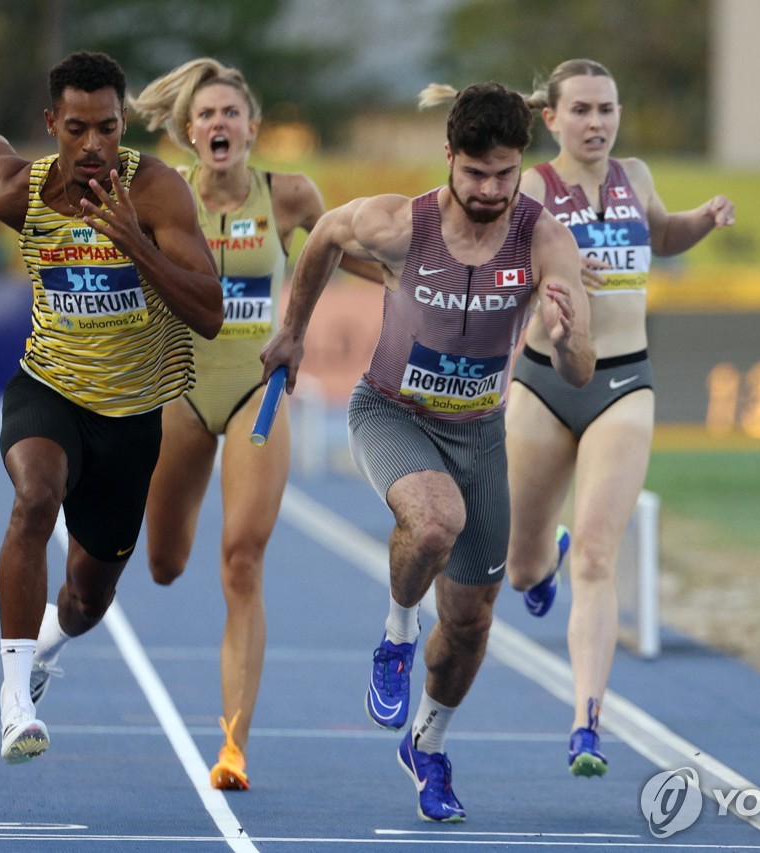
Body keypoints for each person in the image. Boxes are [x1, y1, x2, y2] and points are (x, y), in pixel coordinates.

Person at [259, 81, 594, 822]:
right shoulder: (396, 224)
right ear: (449, 157)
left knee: (473, 622)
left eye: (505, 174)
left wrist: (570, 339)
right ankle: (395, 636)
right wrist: (293, 330)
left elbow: (580, 369)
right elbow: (322, 238)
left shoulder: (543, 239)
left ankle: (429, 745)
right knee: (433, 521)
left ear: (520, 165)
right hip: (391, 412)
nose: (489, 189)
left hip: (480, 432)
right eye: (475, 173)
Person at [0, 50, 224, 765]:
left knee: (85, 601)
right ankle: (14, 701)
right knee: (34, 498)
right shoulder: (24, 190)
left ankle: (48, 641)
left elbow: (210, 313)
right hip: (49, 388)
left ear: (122, 122)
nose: (94, 145)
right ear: (52, 125)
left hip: (131, 418)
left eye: (107, 127)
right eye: (77, 129)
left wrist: (137, 243)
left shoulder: (158, 194)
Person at [123, 58, 381, 790]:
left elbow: (344, 256)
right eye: (204, 115)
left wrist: (421, 277)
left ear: (253, 127)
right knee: (165, 563)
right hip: (177, 388)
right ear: (187, 131)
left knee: (241, 558)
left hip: (255, 393)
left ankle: (233, 744)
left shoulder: (289, 196)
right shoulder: (159, 195)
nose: (218, 125)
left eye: (230, 113)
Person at [505, 58, 735, 776]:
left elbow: (661, 235)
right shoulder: (529, 190)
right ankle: (547, 557)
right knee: (520, 569)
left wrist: (702, 220)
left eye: (607, 109)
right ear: (551, 118)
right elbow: (503, 272)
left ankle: (586, 723)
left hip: (625, 381)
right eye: (581, 110)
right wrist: (556, 275)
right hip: (544, 384)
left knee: (602, 557)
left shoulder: (635, 176)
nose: (596, 123)